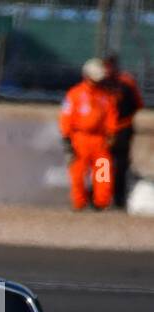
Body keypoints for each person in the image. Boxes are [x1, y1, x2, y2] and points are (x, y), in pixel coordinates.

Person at [59, 59, 120, 210]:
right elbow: (66, 116)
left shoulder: (106, 97)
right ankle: (79, 203)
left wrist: (112, 134)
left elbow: (111, 116)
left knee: (103, 172)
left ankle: (101, 202)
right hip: (79, 138)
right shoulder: (75, 94)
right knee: (78, 174)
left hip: (100, 139)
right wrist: (66, 138)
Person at [103, 53, 145, 209]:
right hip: (105, 131)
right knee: (103, 164)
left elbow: (138, 104)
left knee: (121, 166)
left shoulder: (126, 83)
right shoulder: (101, 83)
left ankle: (119, 199)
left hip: (122, 130)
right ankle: (102, 198)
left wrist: (123, 123)